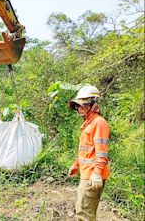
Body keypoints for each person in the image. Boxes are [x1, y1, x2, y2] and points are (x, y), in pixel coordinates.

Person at [67, 85, 110, 221]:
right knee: (82, 210)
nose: (79, 108)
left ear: (93, 104)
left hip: (92, 174)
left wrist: (97, 173)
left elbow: (101, 152)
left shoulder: (99, 123)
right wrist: (76, 165)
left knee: (84, 214)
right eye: (78, 105)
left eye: (83, 105)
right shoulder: (88, 123)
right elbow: (85, 150)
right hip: (86, 173)